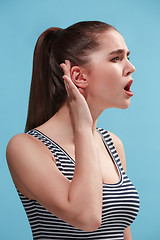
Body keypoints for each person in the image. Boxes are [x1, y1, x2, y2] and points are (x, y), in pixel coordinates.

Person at [6, 21, 140, 240]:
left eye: (127, 56)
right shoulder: (25, 147)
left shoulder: (112, 143)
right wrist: (83, 127)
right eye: (116, 58)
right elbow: (87, 218)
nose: (131, 67)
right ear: (79, 77)